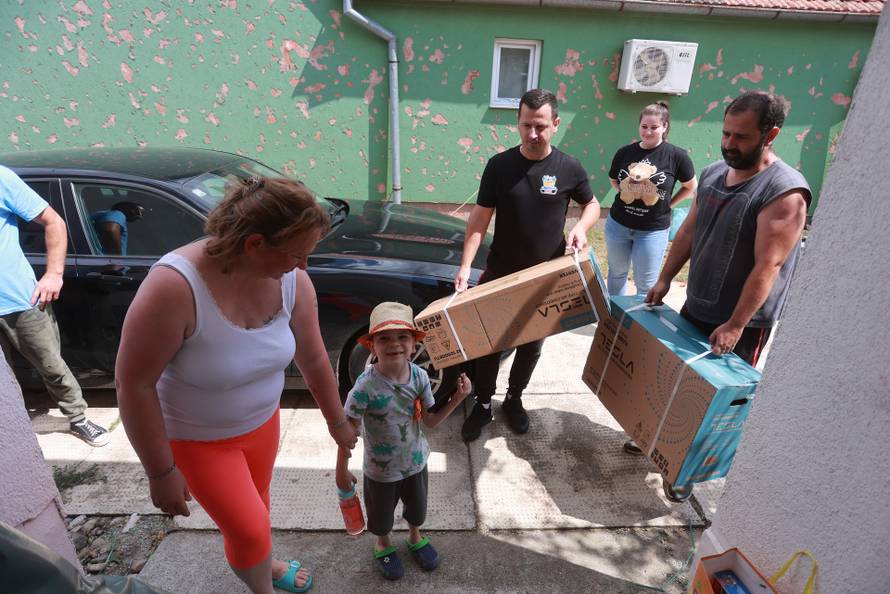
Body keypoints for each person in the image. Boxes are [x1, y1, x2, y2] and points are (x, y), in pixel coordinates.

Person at [115, 177, 357, 594]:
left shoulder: (291, 281)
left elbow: (314, 357)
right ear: (255, 244)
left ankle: (264, 561)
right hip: (198, 440)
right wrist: (160, 471)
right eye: (297, 255)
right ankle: (261, 587)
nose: (303, 267)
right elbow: (133, 384)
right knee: (248, 530)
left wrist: (337, 422)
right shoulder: (175, 286)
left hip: (263, 426)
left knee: (257, 514)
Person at [634, 91, 811, 478]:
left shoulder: (784, 192)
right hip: (697, 304)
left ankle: (688, 474)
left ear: (771, 134)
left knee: (715, 403)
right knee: (677, 382)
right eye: (726, 134)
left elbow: (771, 264)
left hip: (741, 322)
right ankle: (661, 441)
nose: (730, 144)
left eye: (741, 137)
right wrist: (665, 278)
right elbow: (688, 232)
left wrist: (735, 325)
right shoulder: (714, 173)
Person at [454, 88, 600, 442]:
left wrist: (580, 227)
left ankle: (514, 399)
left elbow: (592, 204)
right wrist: (465, 267)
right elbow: (478, 222)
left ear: (555, 124)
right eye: (525, 126)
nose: (533, 134)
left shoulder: (569, 167)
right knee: (489, 344)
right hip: (500, 272)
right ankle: (483, 403)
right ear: (517, 123)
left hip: (544, 278)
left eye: (540, 126)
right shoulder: (500, 166)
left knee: (530, 346)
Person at [336, 302, 472, 580]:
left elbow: (430, 421)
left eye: (403, 337)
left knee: (417, 510)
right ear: (372, 347)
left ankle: (414, 537)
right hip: (380, 470)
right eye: (384, 338)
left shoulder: (420, 376)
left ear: (413, 345)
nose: (394, 344)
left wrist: (457, 398)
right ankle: (383, 544)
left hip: (416, 462)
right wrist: (341, 468)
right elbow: (348, 431)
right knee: (381, 517)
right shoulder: (365, 386)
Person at [0, 165, 109, 447]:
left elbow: (54, 222)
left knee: (51, 365)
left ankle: (78, 418)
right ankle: (13, 435)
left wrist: (54, 274)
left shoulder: (2, 178)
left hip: (21, 299)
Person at [605, 101, 697, 297]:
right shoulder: (625, 152)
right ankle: (614, 321)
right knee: (616, 274)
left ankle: (636, 326)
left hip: (652, 230)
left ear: (664, 127)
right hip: (618, 225)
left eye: (654, 127)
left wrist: (668, 204)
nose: (647, 132)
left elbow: (690, 187)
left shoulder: (677, 156)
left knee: (646, 284)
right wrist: (629, 194)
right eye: (644, 126)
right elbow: (614, 179)